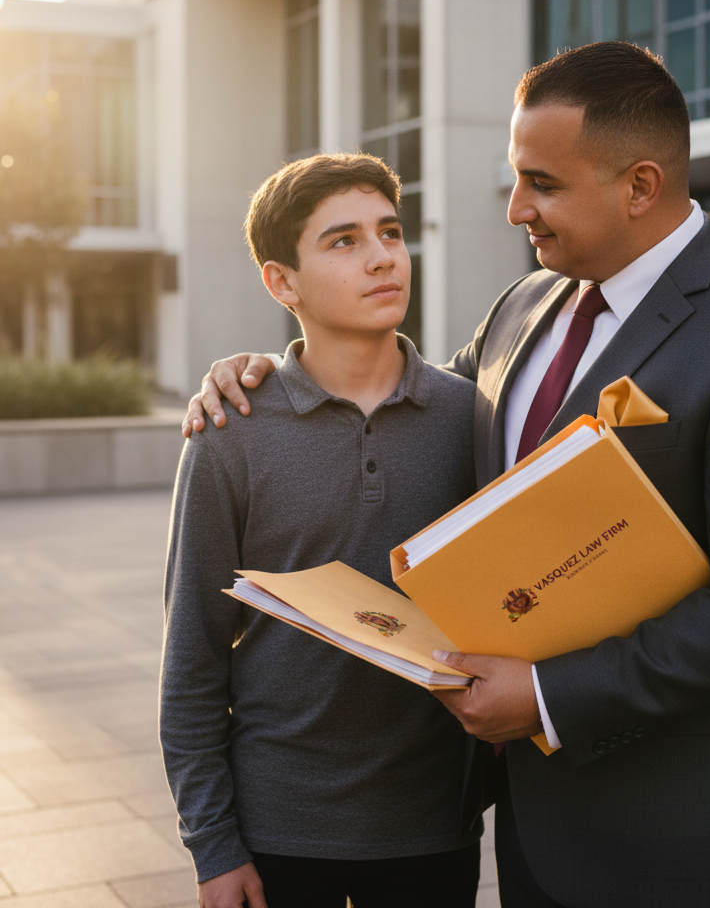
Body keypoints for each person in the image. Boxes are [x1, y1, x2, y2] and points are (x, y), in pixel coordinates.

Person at [183, 43, 710, 908]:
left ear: (640, 186)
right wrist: (262, 376)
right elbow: (409, 397)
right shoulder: (526, 304)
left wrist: (545, 694)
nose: (516, 210)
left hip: (687, 835)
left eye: (542, 183)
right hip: (534, 832)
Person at [161, 153, 483, 908]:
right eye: (343, 241)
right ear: (282, 282)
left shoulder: (471, 418)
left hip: (432, 827)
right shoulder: (229, 432)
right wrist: (213, 846)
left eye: (391, 232)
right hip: (277, 833)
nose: (382, 257)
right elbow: (193, 658)